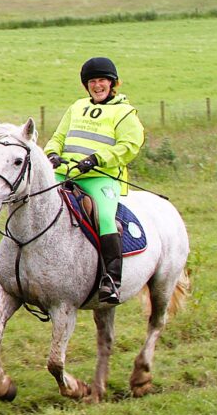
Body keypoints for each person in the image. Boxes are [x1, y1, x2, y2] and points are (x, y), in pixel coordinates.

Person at [45, 56, 145, 304]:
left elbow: (130, 145)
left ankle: (111, 280)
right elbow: (58, 136)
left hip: (101, 178)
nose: (97, 85)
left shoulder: (124, 113)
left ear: (113, 84)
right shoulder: (76, 107)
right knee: (31, 202)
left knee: (104, 218)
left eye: (102, 80)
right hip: (64, 173)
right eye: (92, 81)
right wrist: (52, 153)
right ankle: (8, 270)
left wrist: (98, 158)